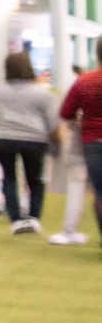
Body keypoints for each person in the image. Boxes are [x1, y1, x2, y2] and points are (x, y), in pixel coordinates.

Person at [0, 51, 62, 234]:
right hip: (35, 140)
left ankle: (16, 220)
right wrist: (55, 146)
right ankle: (33, 218)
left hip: (3, 139)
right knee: (35, 180)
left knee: (9, 178)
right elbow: (53, 124)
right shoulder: (44, 93)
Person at [55, 60, 102, 246]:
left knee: (100, 193)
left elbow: (66, 112)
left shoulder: (84, 80)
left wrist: (82, 117)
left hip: (92, 140)